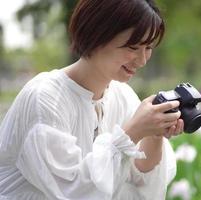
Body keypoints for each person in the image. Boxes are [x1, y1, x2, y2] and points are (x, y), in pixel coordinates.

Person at [0, 0, 184, 199]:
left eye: (148, 47)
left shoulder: (122, 95)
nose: (142, 60)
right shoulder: (45, 98)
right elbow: (74, 191)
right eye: (132, 47)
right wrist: (131, 133)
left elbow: (139, 186)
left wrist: (154, 134)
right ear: (97, 34)